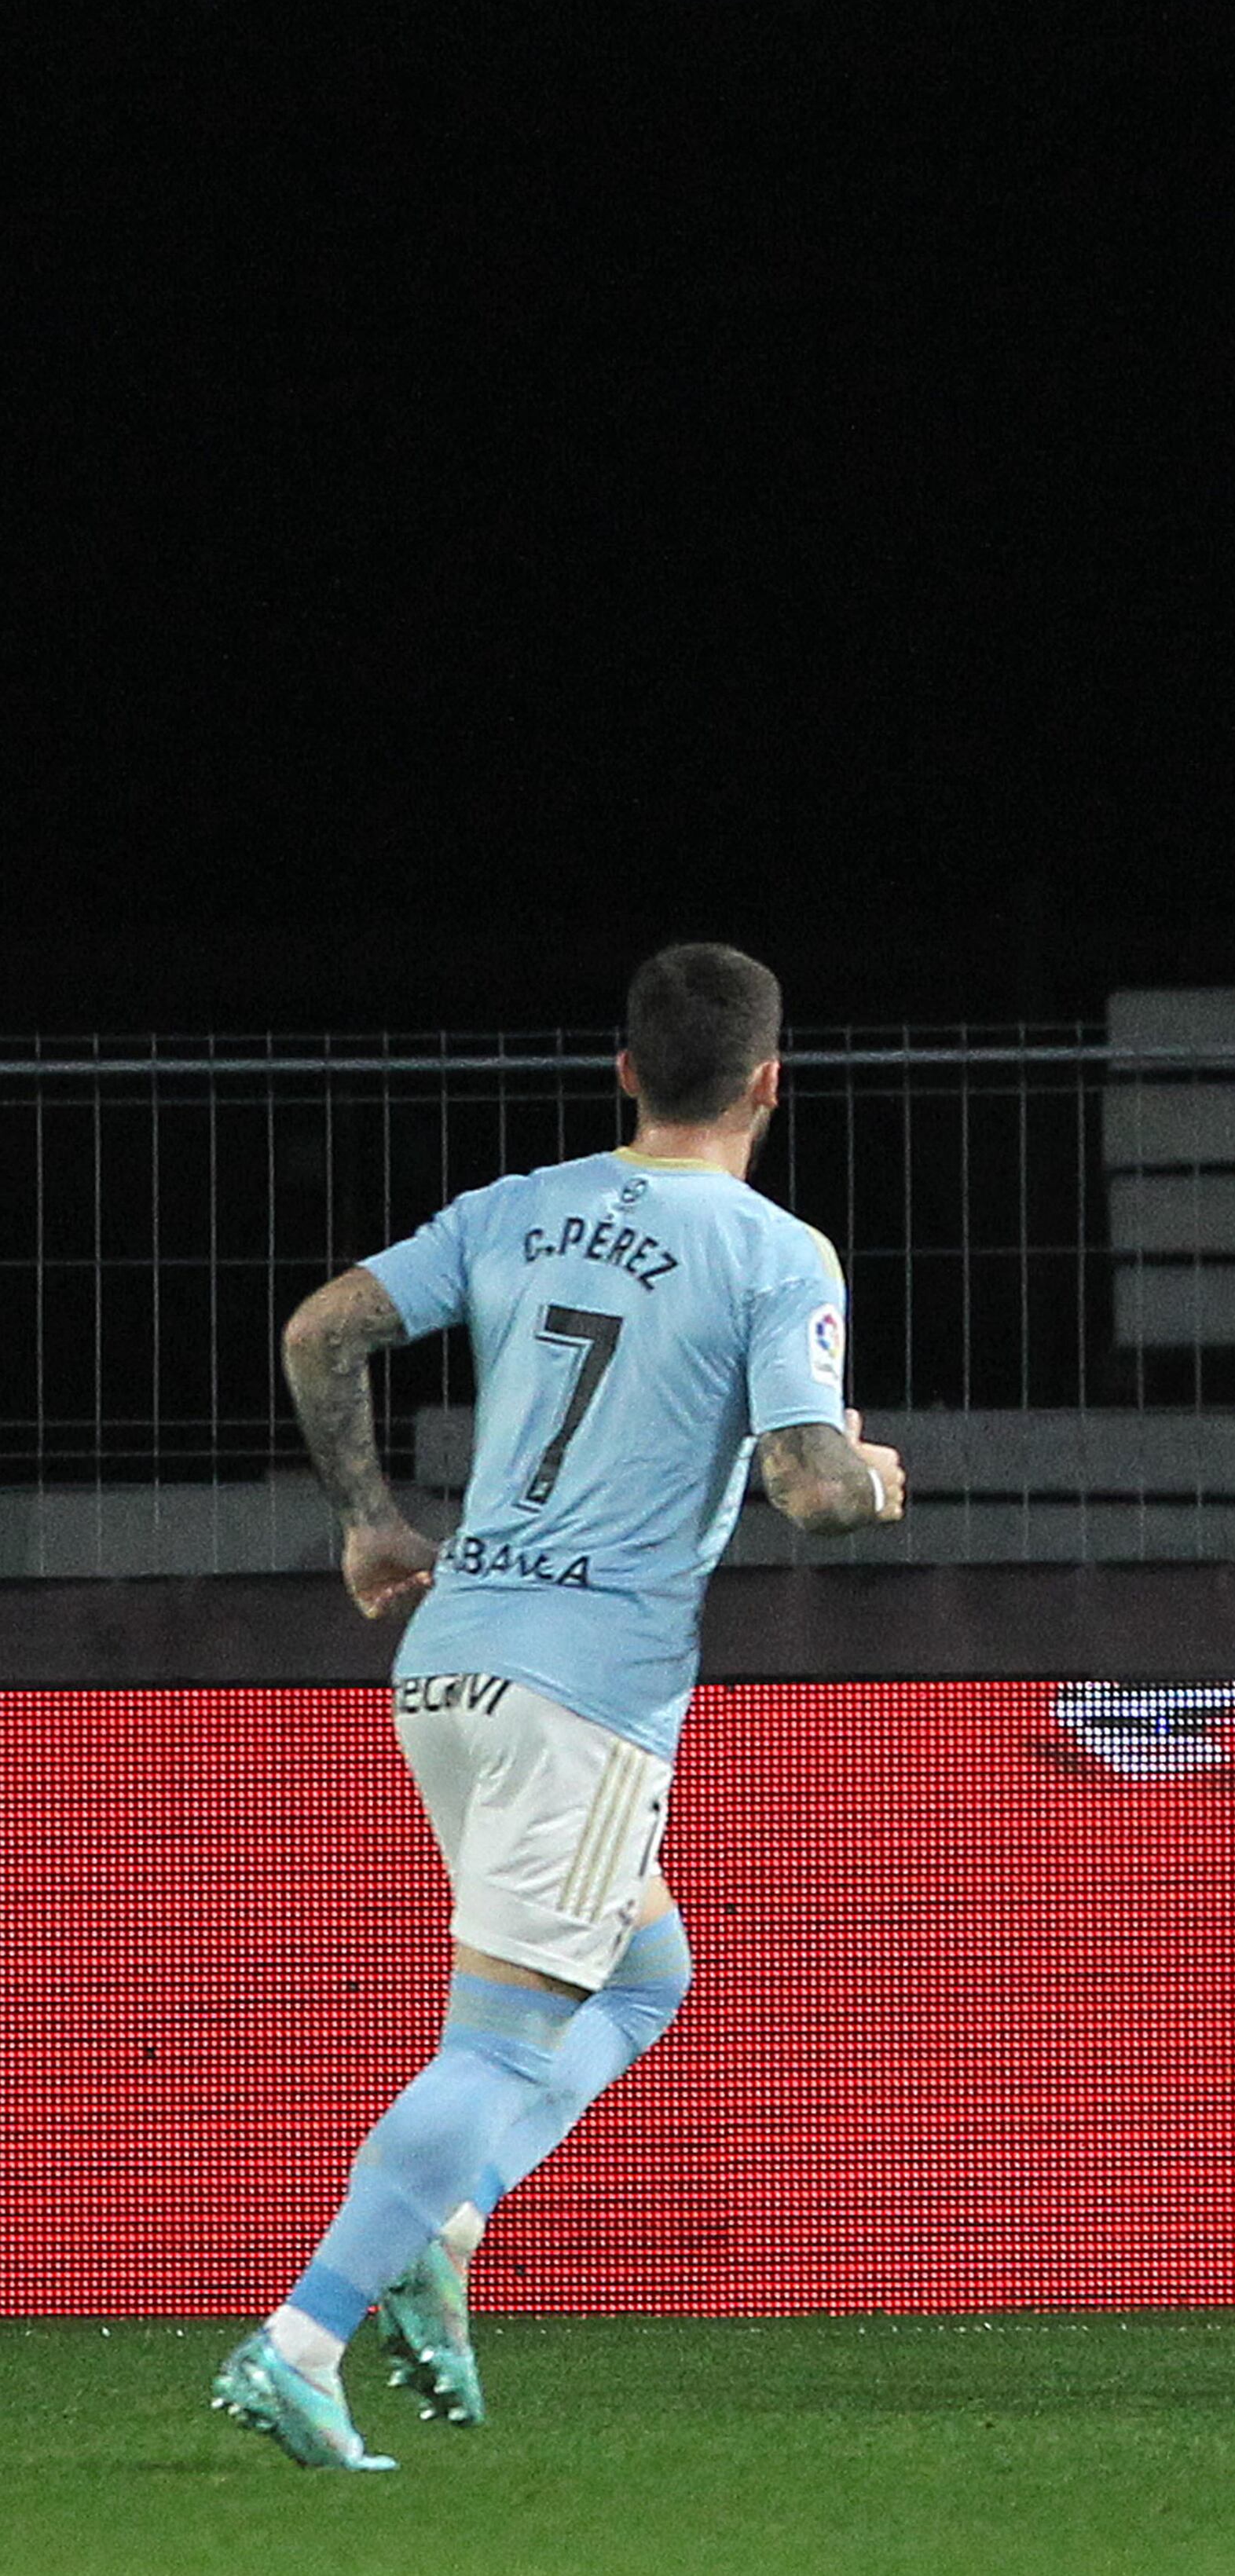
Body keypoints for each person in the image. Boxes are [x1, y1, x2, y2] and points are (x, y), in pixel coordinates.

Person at [211, 942, 907, 2472]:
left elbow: (322, 1329)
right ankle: (303, 2334)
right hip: (585, 1690)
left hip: (445, 1656)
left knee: (646, 1970)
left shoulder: (515, 1207)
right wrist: (870, 1473)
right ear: (770, 1081)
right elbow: (808, 1489)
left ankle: (441, 2221)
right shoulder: (778, 1249)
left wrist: (368, 1518)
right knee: (504, 2041)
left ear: (626, 1074)